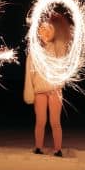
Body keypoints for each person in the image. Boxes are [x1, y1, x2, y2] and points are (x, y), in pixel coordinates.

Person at [24, 12, 70, 157]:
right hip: (39, 91)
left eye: (49, 29)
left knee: (55, 122)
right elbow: (29, 74)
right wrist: (29, 92)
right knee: (40, 121)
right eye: (43, 29)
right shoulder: (34, 52)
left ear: (54, 31)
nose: (46, 32)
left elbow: (66, 37)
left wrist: (60, 21)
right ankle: (38, 147)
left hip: (55, 89)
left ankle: (58, 149)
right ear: (38, 32)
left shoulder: (58, 47)